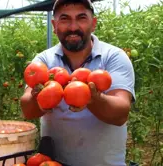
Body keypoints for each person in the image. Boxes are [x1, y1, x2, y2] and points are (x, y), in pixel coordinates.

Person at [20, 0, 136, 165]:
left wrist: (92, 98)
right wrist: (38, 97)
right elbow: (27, 110)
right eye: (65, 19)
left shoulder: (114, 57)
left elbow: (120, 114)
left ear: (93, 23)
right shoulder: (43, 61)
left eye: (81, 18)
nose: (73, 27)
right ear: (54, 25)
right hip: (55, 163)